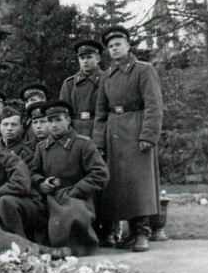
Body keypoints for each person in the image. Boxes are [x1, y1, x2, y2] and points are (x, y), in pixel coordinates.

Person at [92, 25, 164, 251]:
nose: (114, 49)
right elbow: (101, 112)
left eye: (118, 45)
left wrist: (148, 135)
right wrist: (99, 142)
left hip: (137, 130)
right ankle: (129, 235)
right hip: (114, 133)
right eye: (110, 46)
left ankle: (142, 233)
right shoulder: (106, 76)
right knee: (119, 185)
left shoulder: (143, 70)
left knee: (139, 183)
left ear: (128, 46)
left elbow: (154, 105)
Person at [0, 125, 70, 259]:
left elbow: (21, 184)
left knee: (5, 202)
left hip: (31, 207)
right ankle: (35, 249)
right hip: (4, 212)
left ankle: (24, 251)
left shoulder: (7, 158)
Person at [32, 100, 108, 255]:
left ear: (68, 120)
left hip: (77, 196)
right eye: (50, 121)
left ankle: (73, 248)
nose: (54, 125)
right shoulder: (42, 147)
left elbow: (100, 174)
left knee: (71, 212)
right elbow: (33, 172)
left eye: (58, 120)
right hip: (50, 197)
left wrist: (77, 190)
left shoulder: (83, 144)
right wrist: (41, 183)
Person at [59, 40, 106, 139]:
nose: (85, 61)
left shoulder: (106, 80)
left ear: (98, 58)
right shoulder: (70, 83)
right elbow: (64, 113)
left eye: (89, 57)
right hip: (75, 131)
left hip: (100, 130)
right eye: (82, 58)